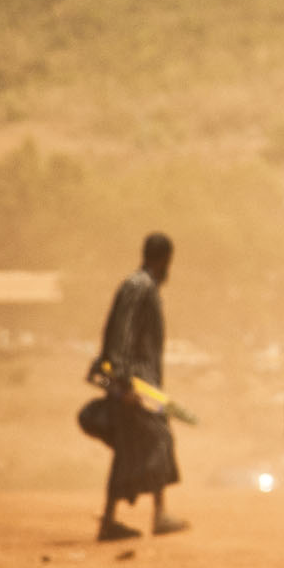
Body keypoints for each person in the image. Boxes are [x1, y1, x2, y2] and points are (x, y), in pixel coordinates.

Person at [89, 232, 187, 543]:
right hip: (136, 385)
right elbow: (122, 334)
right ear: (164, 260)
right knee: (156, 440)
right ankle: (149, 516)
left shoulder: (145, 287)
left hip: (144, 384)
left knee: (142, 446)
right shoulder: (139, 287)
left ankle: (122, 518)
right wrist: (123, 382)